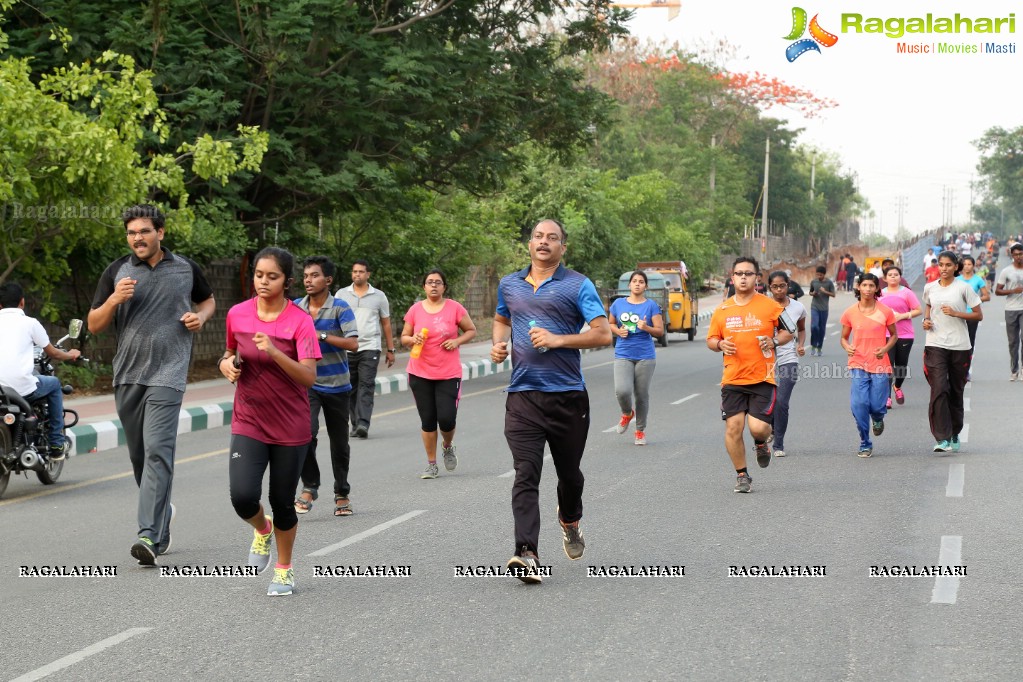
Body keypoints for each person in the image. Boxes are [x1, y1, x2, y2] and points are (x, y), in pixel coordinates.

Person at [88, 204, 215, 566]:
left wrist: (200, 317)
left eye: (144, 231)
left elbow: (207, 300)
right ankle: (162, 515)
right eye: (131, 233)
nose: (137, 238)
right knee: (140, 458)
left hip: (169, 373)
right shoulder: (117, 271)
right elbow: (94, 324)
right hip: (128, 374)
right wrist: (114, 299)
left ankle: (148, 535)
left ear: (160, 232)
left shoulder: (186, 268)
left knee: (158, 449)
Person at [490, 219, 611, 583]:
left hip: (568, 397)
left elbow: (602, 334)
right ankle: (526, 552)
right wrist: (499, 344)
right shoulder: (509, 284)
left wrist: (558, 340)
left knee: (569, 475)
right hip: (522, 395)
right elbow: (501, 318)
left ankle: (570, 518)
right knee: (525, 473)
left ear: (563, 247)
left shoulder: (578, 284)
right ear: (529, 243)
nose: (544, 242)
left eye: (552, 238)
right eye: (539, 236)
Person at [219, 247, 319, 596]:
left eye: (272, 276)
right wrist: (226, 365)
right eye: (259, 275)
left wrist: (274, 351)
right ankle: (262, 530)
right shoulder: (238, 314)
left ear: (286, 281)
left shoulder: (300, 321)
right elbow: (230, 352)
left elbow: (308, 377)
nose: (263, 281)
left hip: (291, 425)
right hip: (249, 419)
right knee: (243, 496)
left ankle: (284, 568)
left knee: (281, 500)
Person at [706, 256, 792, 493]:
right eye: (739, 273)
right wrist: (719, 345)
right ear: (732, 278)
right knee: (733, 427)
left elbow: (788, 333)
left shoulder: (771, 306)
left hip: (762, 378)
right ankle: (742, 475)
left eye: (748, 273)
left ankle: (761, 442)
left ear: (757, 278)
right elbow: (712, 339)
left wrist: (773, 341)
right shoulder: (722, 309)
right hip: (732, 378)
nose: (743, 277)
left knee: (757, 428)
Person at [293, 256, 359, 517]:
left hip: (338, 386)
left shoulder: (340, 308)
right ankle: (310, 486)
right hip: (307, 383)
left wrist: (319, 335)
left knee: (339, 443)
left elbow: (353, 343)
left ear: (328, 280)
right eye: (306, 276)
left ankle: (342, 492)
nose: (308, 280)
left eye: (315, 275)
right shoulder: (297, 307)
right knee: (304, 435)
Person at [400, 269, 477, 479]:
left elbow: (471, 330)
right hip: (420, 372)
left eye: (438, 282)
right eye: (429, 282)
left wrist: (457, 341)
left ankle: (448, 445)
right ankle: (431, 464)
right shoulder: (415, 310)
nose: (434, 285)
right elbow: (404, 337)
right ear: (424, 286)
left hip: (448, 373)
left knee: (446, 419)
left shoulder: (455, 308)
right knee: (427, 420)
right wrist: (412, 339)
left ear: (444, 287)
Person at [0, 283, 82, 461]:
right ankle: (56, 442)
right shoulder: (30, 323)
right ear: (22, 302)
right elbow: (52, 352)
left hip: (1, 391)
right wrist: (70, 355)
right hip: (21, 389)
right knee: (53, 384)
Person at [922, 252, 982, 452]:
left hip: (959, 346)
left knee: (956, 391)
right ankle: (942, 438)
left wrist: (957, 313)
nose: (944, 268)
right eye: (941, 265)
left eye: (948, 265)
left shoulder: (963, 288)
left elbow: (978, 315)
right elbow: (928, 306)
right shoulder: (930, 287)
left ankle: (955, 431)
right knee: (939, 388)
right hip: (935, 343)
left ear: (956, 266)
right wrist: (926, 320)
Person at [839, 273, 897, 458]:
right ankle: (865, 441)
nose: (868, 289)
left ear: (876, 289)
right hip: (858, 362)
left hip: (880, 363)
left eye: (871, 285)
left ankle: (878, 418)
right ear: (858, 287)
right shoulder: (850, 312)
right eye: (864, 285)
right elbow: (843, 337)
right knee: (859, 404)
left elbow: (894, 335)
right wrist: (847, 346)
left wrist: (885, 348)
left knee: (877, 405)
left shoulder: (885, 311)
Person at [336, 260, 395, 438]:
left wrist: (390, 350)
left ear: (368, 274)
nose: (357, 275)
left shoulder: (379, 296)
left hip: (370, 347)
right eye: (354, 272)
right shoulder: (341, 294)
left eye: (361, 272)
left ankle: (363, 423)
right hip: (347, 348)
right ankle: (355, 424)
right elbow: (334, 320)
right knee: (350, 388)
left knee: (366, 385)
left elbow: (386, 323)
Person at [609, 270, 664, 446]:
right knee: (622, 390)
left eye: (641, 281)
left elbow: (660, 331)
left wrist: (646, 327)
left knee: (641, 395)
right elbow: (610, 323)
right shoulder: (618, 304)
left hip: (645, 356)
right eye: (635, 281)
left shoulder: (651, 306)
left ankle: (640, 431)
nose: (638, 284)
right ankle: (626, 413)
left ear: (646, 286)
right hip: (623, 353)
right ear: (629, 285)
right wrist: (618, 331)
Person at [766, 271, 805, 458]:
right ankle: (771, 429)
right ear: (769, 288)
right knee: (768, 401)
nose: (779, 289)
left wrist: (801, 344)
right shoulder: (763, 307)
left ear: (788, 285)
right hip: (765, 359)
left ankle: (778, 444)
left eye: (782, 285)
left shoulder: (798, 308)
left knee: (782, 402)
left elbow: (801, 329)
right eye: (775, 286)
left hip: (788, 357)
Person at [880, 266, 921, 409]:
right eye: (890, 275)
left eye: (896, 274)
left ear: (900, 277)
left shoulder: (907, 293)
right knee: (888, 367)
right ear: (885, 278)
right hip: (886, 335)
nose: (893, 277)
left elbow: (918, 310)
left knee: (901, 366)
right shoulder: (879, 294)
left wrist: (902, 316)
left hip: (905, 334)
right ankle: (887, 398)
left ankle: (897, 386)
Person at [956, 255, 990, 381]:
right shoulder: (957, 280)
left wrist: (974, 300)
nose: (967, 266)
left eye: (969, 264)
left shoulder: (978, 280)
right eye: (964, 264)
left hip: (972, 315)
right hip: (958, 315)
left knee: (969, 344)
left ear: (973, 266)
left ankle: (966, 371)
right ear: (961, 266)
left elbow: (987, 296)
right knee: (957, 343)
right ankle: (957, 370)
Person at [995, 243, 1023, 381]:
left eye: (1021, 254)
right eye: (1016, 254)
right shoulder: (1006, 271)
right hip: (1011, 309)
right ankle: (1014, 370)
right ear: (1012, 255)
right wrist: (1012, 290)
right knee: (1013, 342)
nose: (1019, 257)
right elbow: (997, 290)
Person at [808, 265, 835, 356]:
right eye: (817, 275)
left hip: (824, 309)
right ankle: (813, 345)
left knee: (822, 329)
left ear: (824, 275)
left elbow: (833, 294)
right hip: (814, 307)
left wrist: (825, 292)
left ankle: (819, 347)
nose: (818, 277)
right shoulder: (814, 282)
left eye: (820, 275)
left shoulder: (829, 283)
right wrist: (813, 293)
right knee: (814, 326)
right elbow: (810, 292)